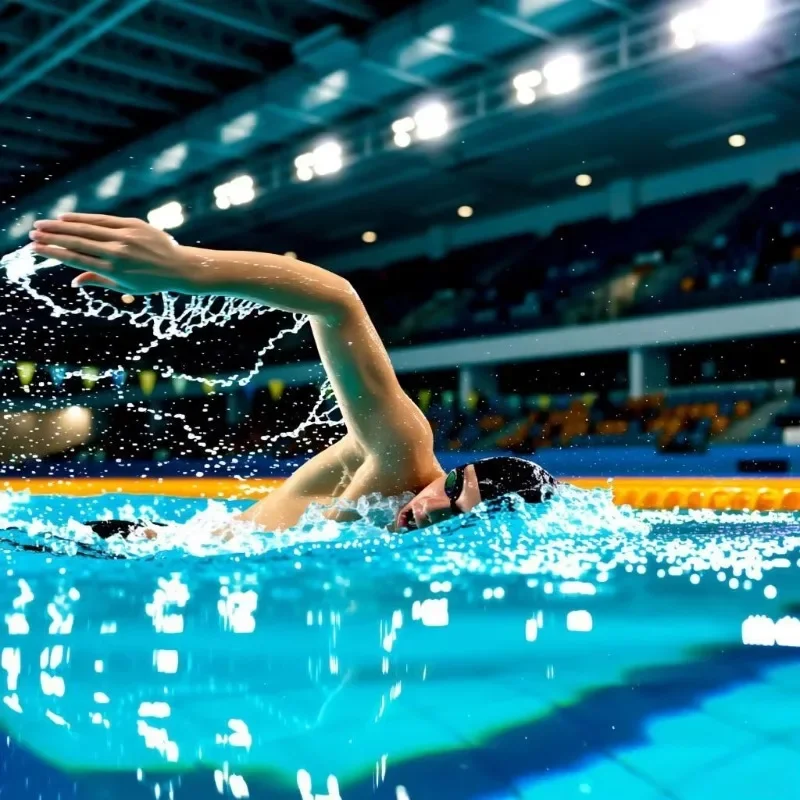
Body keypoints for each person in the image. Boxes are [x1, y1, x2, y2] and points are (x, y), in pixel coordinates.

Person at [28, 213, 557, 535]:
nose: (431, 507)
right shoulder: (401, 454)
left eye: (457, 513)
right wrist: (185, 268)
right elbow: (337, 303)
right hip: (141, 550)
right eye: (450, 485)